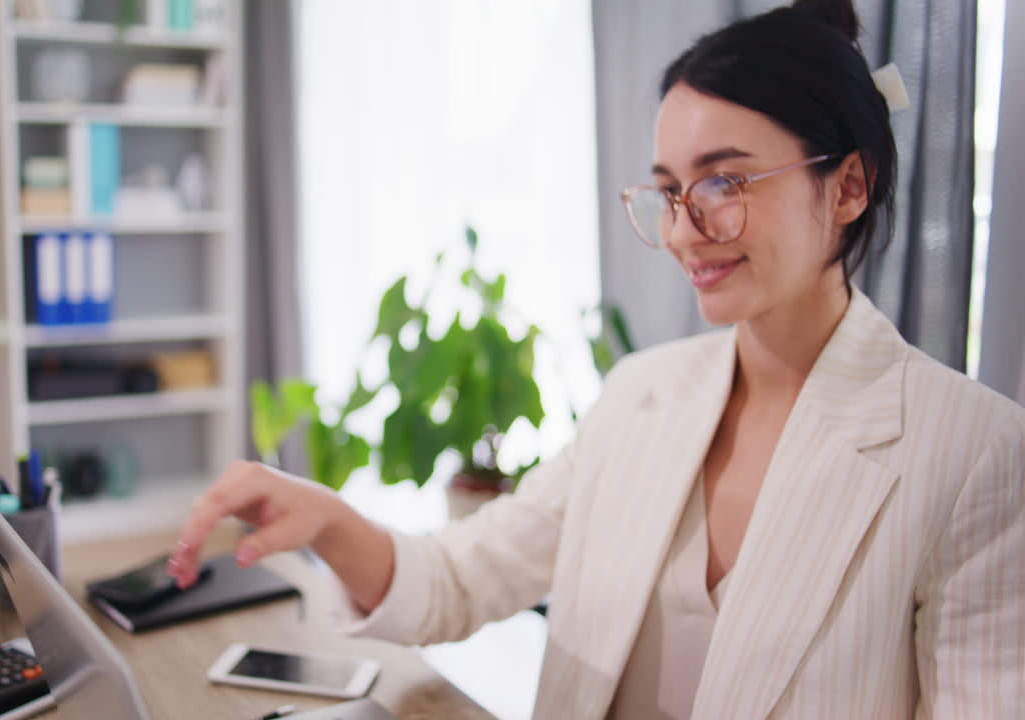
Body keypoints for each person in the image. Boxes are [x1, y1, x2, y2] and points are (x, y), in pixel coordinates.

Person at [169, 1, 1024, 717]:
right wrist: (326, 518)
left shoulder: (969, 450)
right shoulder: (643, 395)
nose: (685, 229)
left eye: (724, 183)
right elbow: (464, 577)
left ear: (846, 187)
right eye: (668, 189)